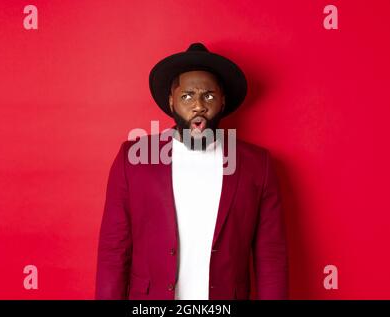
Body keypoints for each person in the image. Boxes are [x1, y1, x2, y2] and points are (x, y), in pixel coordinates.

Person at [95, 42, 288, 300]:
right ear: (171, 102)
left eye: (208, 95)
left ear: (223, 101)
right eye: (187, 96)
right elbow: (113, 251)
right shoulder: (134, 159)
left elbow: (270, 255)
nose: (198, 105)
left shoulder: (258, 165)